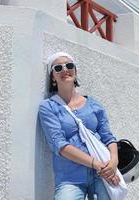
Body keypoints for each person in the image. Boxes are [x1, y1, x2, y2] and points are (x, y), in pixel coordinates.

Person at [38, 52, 120, 200]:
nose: (64, 70)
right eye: (58, 68)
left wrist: (114, 162)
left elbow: (108, 137)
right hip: (70, 177)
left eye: (69, 65)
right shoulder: (48, 107)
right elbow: (60, 145)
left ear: (75, 71)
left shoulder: (94, 104)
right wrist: (95, 164)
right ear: (53, 77)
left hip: (102, 173)